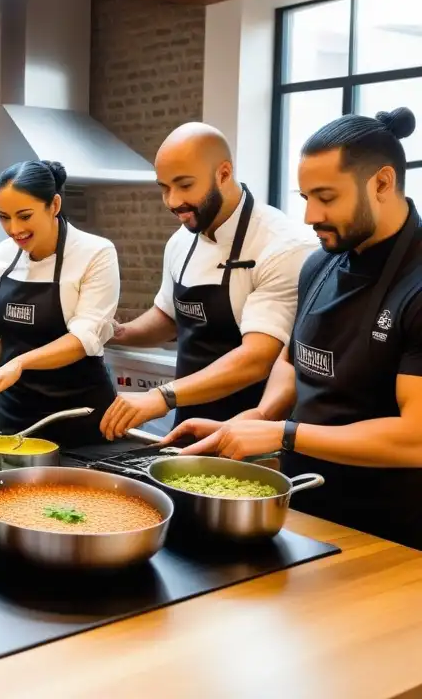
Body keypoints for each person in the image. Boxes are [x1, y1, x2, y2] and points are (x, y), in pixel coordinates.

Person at [164, 108, 422, 550]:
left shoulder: (416, 285)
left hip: (388, 531)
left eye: (326, 197)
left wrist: (283, 433)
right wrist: (259, 416)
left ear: (381, 183)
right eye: (305, 197)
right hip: (303, 509)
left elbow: (415, 439)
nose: (309, 215)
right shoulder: (319, 264)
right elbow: (293, 359)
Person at [100, 122, 315, 440]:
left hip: (252, 433)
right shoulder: (180, 242)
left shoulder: (282, 245)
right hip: (186, 425)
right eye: (164, 188)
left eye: (184, 185)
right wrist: (116, 333)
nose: (172, 201)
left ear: (224, 173)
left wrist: (162, 397)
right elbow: (169, 318)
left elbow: (257, 358)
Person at [0, 160, 120, 446]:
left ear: (54, 205)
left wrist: (18, 364)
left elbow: (83, 339)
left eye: (24, 216)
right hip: (14, 415)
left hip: (77, 417)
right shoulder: (2, 254)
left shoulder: (95, 253)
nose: (14, 229)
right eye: (4, 217)